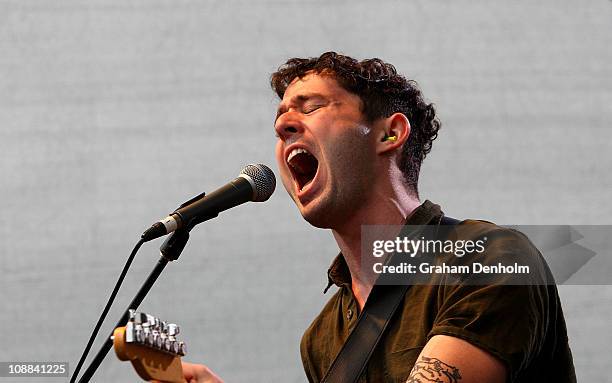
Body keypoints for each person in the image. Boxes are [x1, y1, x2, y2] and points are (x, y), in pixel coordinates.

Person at [182, 52, 576, 382]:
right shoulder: (323, 337)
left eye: (312, 106)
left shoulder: (490, 257)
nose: (282, 125)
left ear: (390, 135)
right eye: (280, 116)